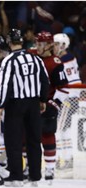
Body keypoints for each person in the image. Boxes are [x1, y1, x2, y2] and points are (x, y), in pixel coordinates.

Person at [0, 29, 50, 187]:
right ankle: (35, 176)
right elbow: (45, 80)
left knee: (13, 140)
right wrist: (42, 99)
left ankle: (16, 176)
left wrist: (1, 105)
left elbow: (6, 85)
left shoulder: (9, 60)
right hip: (33, 103)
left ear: (9, 42)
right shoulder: (35, 58)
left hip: (15, 105)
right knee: (34, 139)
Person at [33, 31, 68, 184]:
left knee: (47, 135)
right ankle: (29, 167)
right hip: (32, 104)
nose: (38, 47)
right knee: (29, 137)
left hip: (47, 104)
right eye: (37, 43)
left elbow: (63, 88)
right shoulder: (31, 57)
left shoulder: (56, 62)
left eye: (41, 44)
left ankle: (49, 168)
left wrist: (53, 104)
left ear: (49, 45)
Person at [53, 33, 81, 169]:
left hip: (68, 97)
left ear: (64, 45)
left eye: (57, 44)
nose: (54, 47)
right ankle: (67, 158)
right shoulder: (69, 57)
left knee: (57, 128)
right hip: (71, 96)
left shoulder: (65, 58)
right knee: (64, 129)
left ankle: (58, 159)